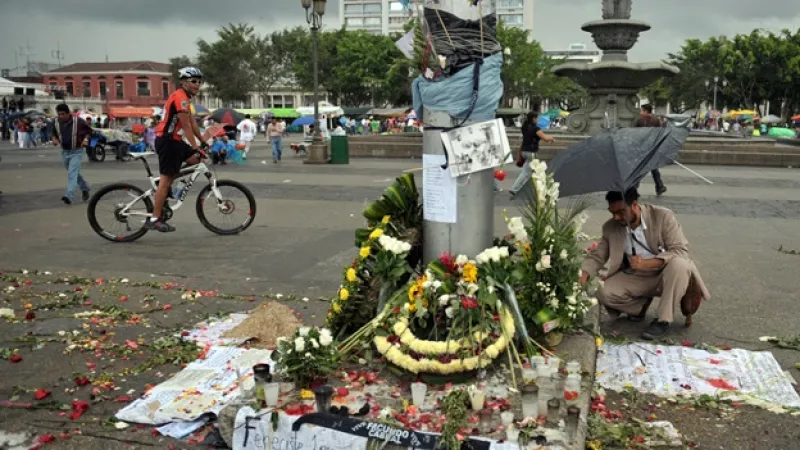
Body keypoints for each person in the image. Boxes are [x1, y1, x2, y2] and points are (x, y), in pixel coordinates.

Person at [579, 187, 709, 340]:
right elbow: (598, 255)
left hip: (667, 273)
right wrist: (584, 274)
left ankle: (663, 320)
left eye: (621, 212)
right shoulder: (611, 227)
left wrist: (646, 263)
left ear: (634, 205)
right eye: (612, 212)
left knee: (680, 265)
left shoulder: (663, 216)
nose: (616, 217)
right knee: (604, 292)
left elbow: (680, 250)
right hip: (637, 276)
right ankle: (639, 308)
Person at [148, 67, 210, 233]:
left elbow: (193, 122)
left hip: (175, 141)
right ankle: (155, 218)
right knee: (166, 179)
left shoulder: (186, 99)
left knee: (196, 160)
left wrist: (203, 141)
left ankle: (169, 184)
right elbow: (187, 125)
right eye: (193, 81)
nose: (197, 85)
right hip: (167, 141)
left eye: (199, 81)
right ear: (183, 82)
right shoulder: (180, 98)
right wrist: (196, 146)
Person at [51, 103, 92, 205]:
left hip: (77, 151)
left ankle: (69, 195)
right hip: (64, 152)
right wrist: (54, 139)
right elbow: (53, 133)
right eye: (59, 114)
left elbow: (89, 131)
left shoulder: (78, 121)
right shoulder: (56, 122)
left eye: (63, 114)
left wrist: (86, 139)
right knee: (73, 173)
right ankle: (85, 187)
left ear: (68, 113)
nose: (61, 116)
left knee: (71, 173)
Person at [509, 111, 555, 197]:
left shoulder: (524, 127)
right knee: (527, 172)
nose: (538, 120)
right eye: (537, 118)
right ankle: (515, 189)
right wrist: (551, 138)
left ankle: (528, 189)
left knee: (532, 171)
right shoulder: (535, 129)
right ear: (534, 119)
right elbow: (545, 138)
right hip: (531, 152)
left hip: (524, 151)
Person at [635, 105, 667, 196]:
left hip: (643, 147)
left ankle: (634, 187)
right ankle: (659, 186)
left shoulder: (640, 120)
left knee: (640, 169)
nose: (640, 113)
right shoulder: (656, 120)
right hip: (653, 147)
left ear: (645, 111)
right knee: (653, 168)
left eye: (641, 111)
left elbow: (635, 133)